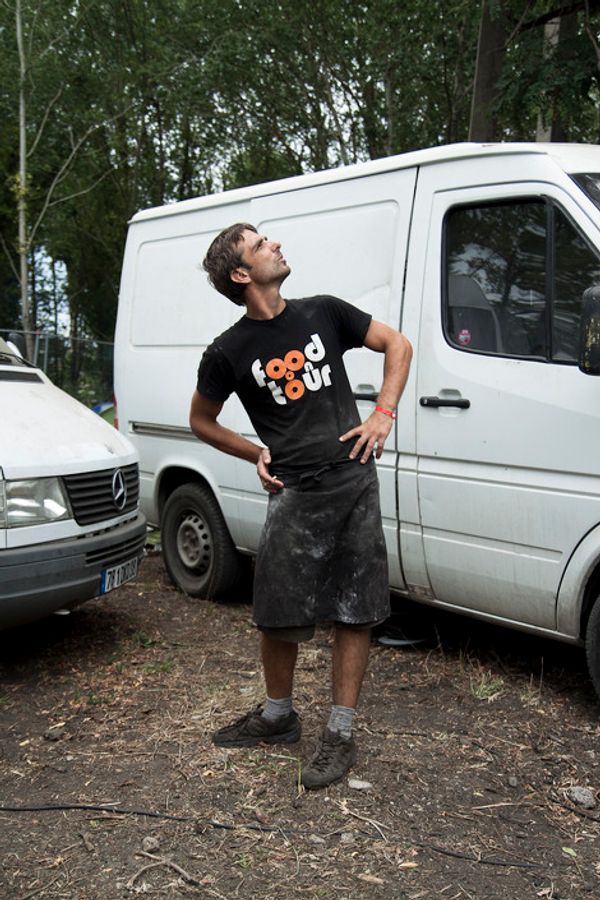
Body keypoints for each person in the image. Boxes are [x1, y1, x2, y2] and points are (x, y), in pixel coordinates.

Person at [190, 223, 412, 789]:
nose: (276, 244)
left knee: (355, 608)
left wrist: (382, 413)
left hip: (352, 479)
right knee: (277, 609)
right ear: (242, 273)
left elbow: (398, 345)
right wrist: (255, 452)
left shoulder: (324, 312)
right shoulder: (227, 351)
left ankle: (340, 732)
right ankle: (277, 716)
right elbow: (201, 420)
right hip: (293, 492)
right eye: (260, 244)